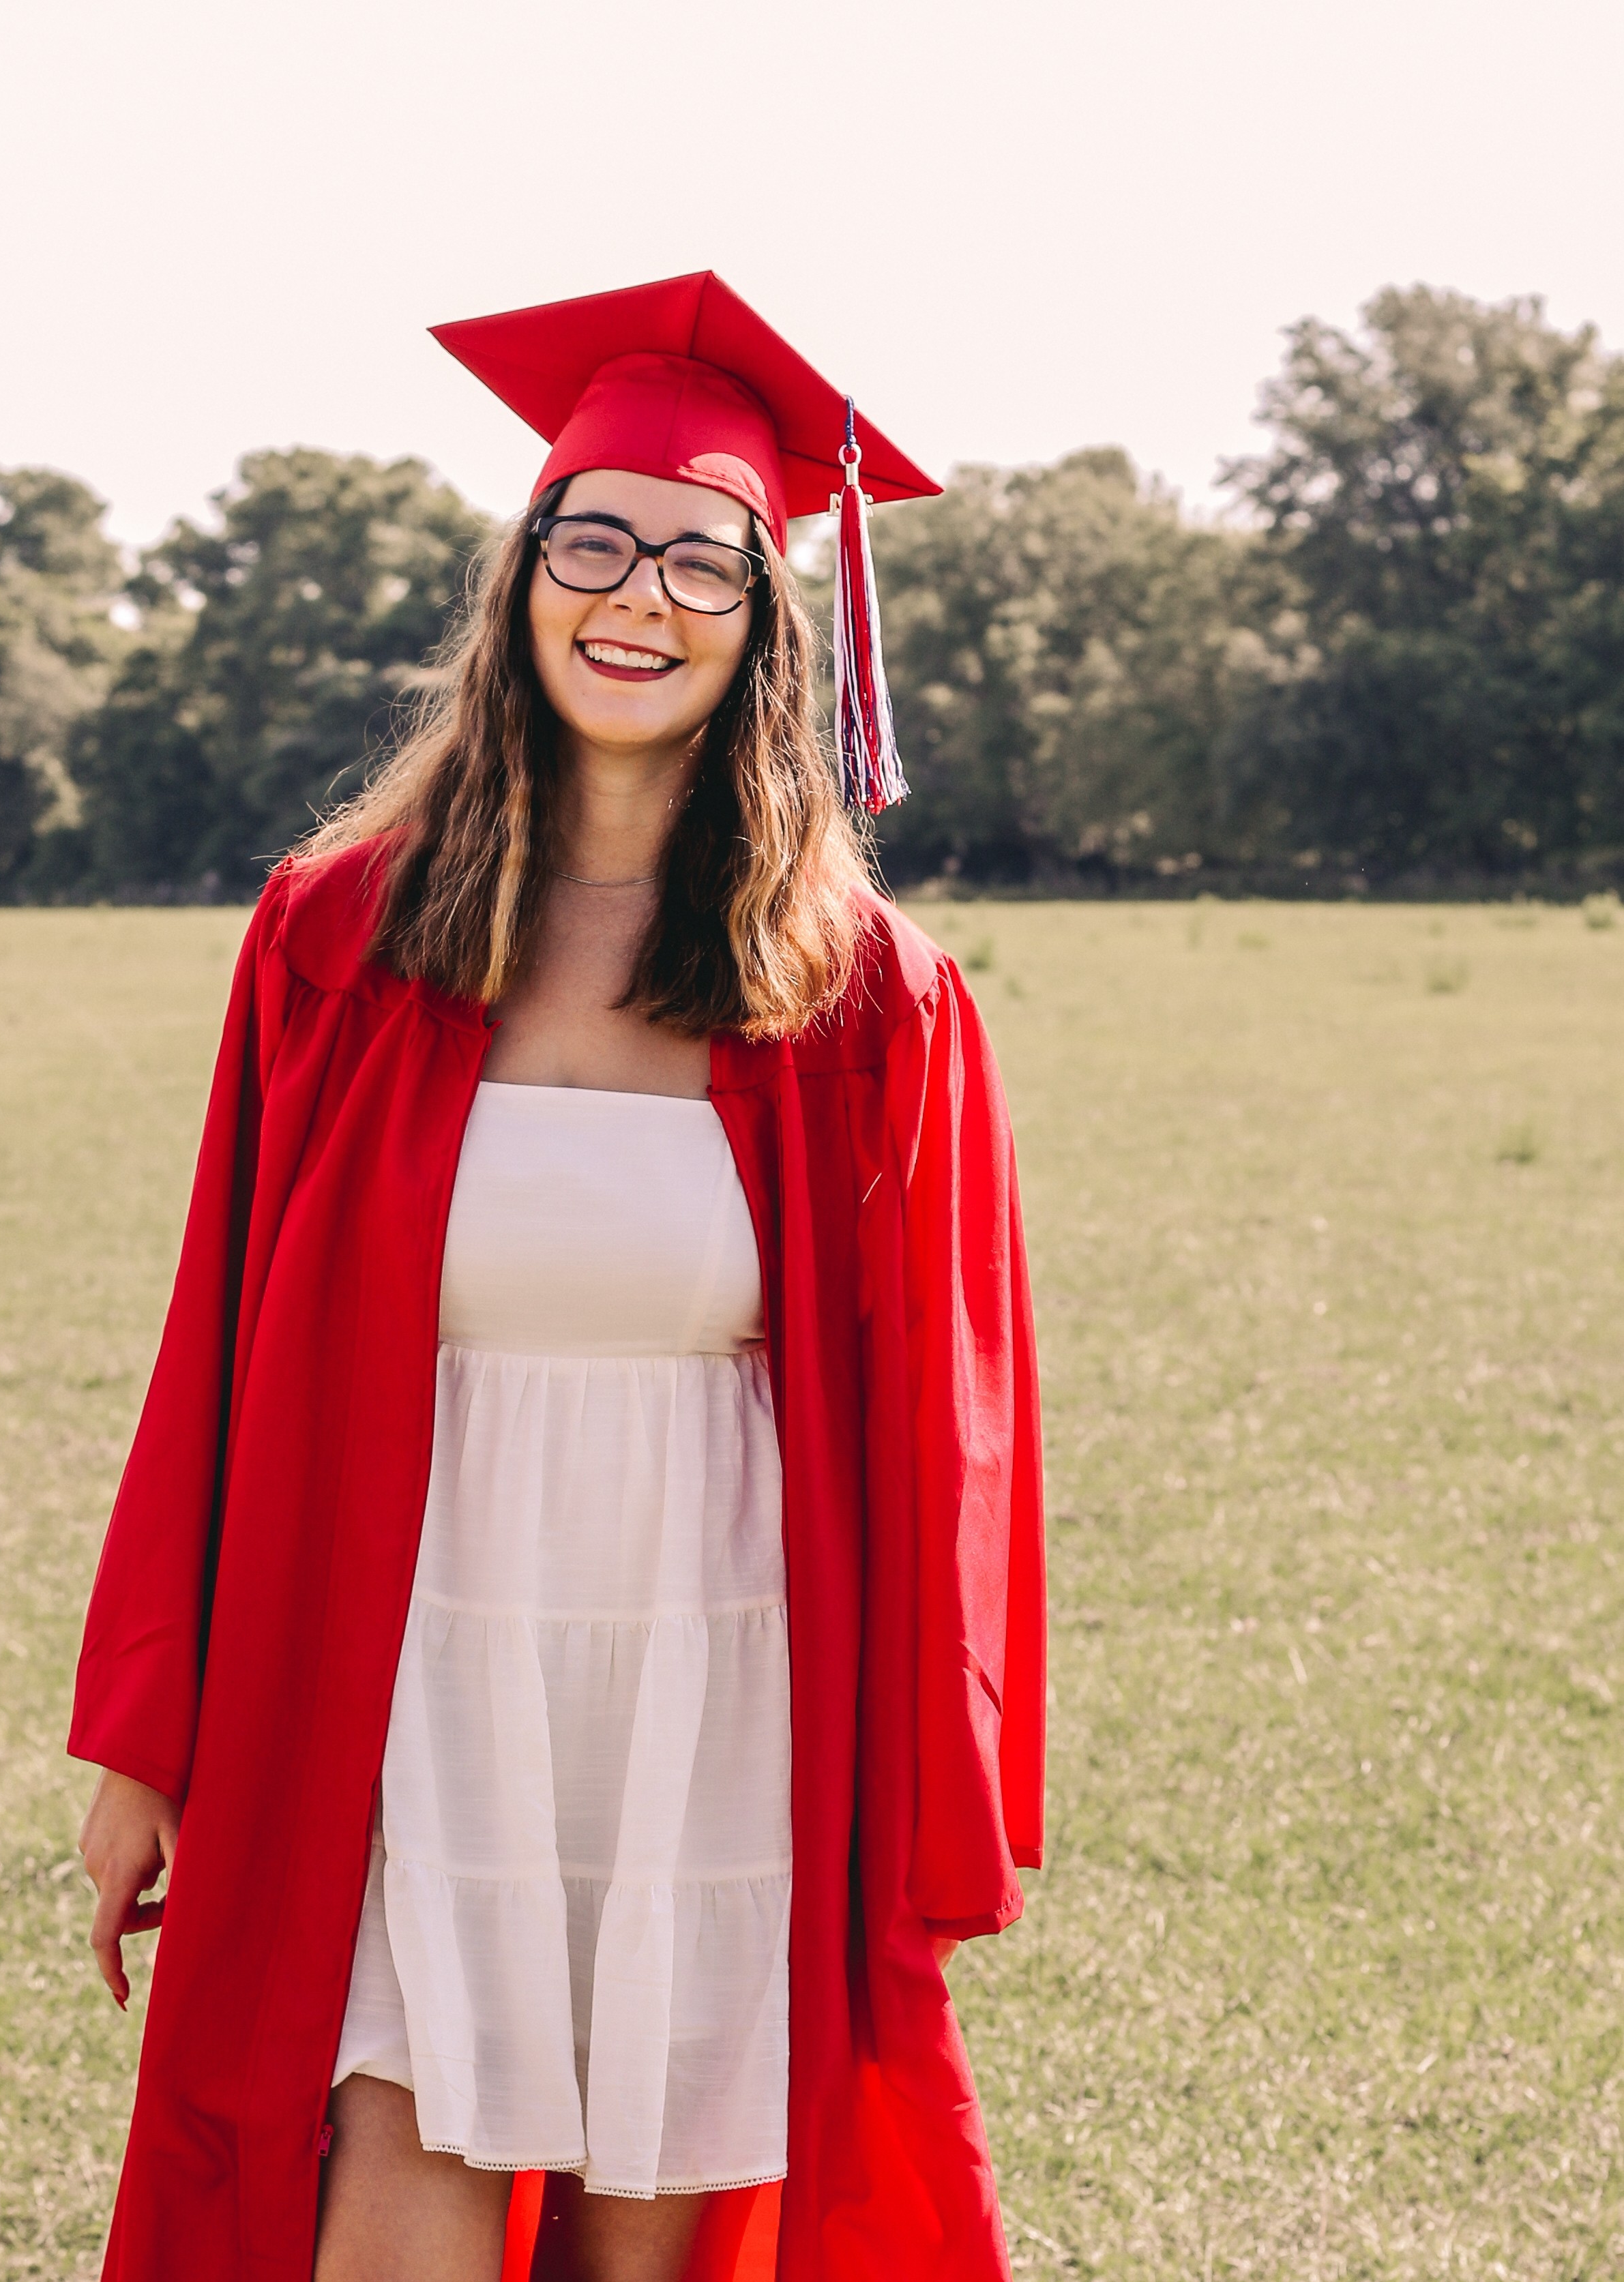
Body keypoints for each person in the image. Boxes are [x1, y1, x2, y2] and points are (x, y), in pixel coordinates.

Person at [71, 272, 1046, 2282]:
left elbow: (952, 1428)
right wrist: (152, 1741)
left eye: (701, 557)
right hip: (405, 1656)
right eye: (591, 537)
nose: (639, 594)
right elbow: (217, 1359)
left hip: (721, 1665)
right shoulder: (339, 938)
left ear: (769, 616)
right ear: (523, 580)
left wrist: (923, 1807)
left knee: (659, 2248)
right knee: (390, 2193)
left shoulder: (868, 1001)